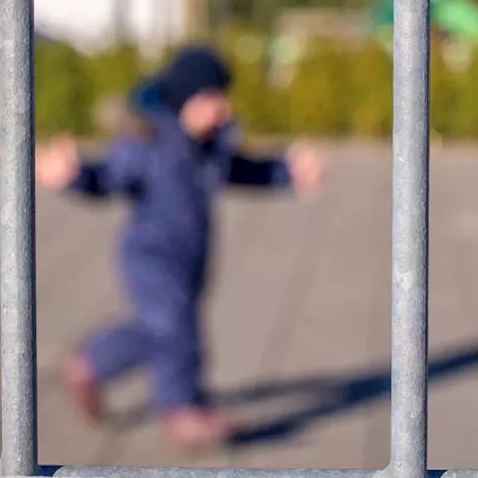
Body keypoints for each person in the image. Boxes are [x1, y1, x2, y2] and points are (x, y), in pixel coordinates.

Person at [34, 46, 324, 448]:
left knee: (159, 329)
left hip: (190, 256)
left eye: (223, 96)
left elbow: (242, 169)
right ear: (184, 98)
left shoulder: (209, 145)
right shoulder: (148, 142)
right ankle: (182, 411)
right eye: (210, 98)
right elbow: (107, 177)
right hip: (151, 256)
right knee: (176, 328)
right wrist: (75, 175)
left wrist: (285, 172)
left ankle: (88, 364)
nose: (221, 107)